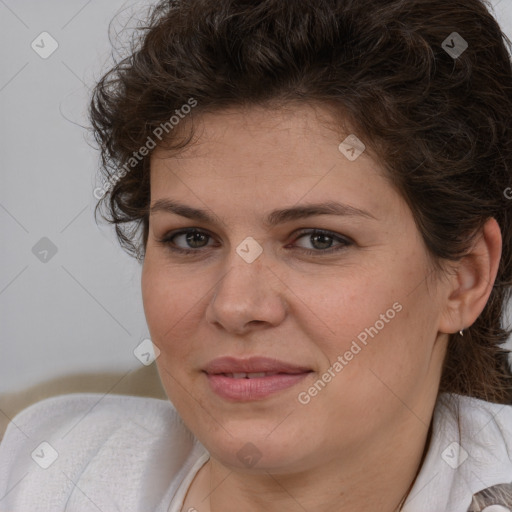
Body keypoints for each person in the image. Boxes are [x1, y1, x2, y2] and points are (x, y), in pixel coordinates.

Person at [1, 0, 512, 510]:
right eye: (192, 238)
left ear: (465, 278)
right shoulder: (41, 468)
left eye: (319, 239)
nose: (235, 306)